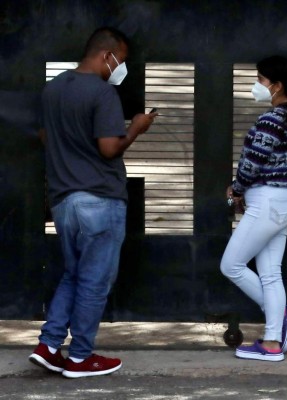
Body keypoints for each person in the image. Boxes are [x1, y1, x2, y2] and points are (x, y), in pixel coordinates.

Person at [28, 27, 157, 378]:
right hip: (100, 199)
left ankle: (49, 345)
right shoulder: (102, 93)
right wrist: (137, 128)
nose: (121, 67)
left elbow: (43, 136)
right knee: (95, 282)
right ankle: (81, 357)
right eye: (122, 61)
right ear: (107, 56)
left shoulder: (52, 89)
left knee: (74, 274)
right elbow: (109, 148)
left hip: (63, 201)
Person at [220, 55, 287, 362]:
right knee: (270, 275)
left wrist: (237, 187)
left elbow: (253, 161)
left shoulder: (271, 119)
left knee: (231, 265)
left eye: (261, 80)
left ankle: (278, 316)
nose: (256, 85)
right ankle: (272, 342)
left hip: (267, 202)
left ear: (277, 86)